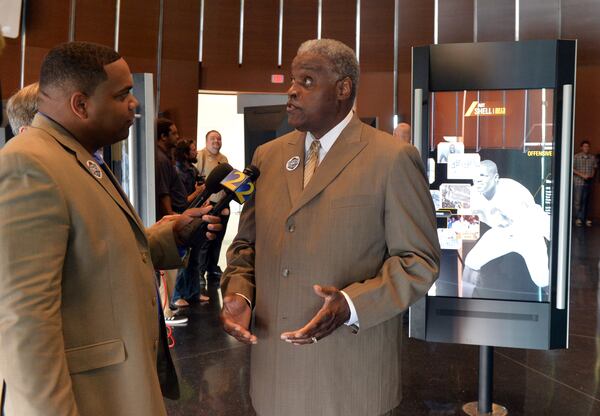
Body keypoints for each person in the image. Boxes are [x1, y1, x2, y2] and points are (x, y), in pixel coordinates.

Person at [0, 41, 224, 416]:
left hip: (118, 386)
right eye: (122, 95)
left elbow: (93, 251)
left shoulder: (78, 156)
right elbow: (24, 322)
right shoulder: (29, 167)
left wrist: (172, 235)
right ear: (80, 104)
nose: (134, 105)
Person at [220, 38, 440, 416]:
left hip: (349, 374)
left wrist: (352, 305)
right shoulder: (268, 157)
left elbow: (418, 261)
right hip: (274, 374)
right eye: (291, 80)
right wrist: (240, 294)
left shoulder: (392, 159)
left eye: (306, 81)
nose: (291, 91)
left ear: (343, 89)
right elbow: (245, 245)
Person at [463, 160, 550, 296]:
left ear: (495, 178)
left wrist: (551, 234)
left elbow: (537, 217)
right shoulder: (471, 194)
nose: (478, 180)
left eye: (483, 176)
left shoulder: (513, 190)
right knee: (472, 261)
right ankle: (464, 303)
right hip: (501, 234)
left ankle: (556, 301)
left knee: (541, 279)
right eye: (476, 176)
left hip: (528, 234)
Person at [171, 138, 210, 306]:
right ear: (185, 153)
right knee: (183, 258)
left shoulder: (192, 170)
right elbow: (182, 202)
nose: (196, 152)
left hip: (196, 219)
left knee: (194, 258)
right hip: (183, 220)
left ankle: (193, 293)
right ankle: (176, 295)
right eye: (193, 150)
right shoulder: (177, 173)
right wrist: (199, 193)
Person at [196, 129, 230, 283]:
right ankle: (199, 271)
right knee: (205, 239)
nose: (216, 141)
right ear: (206, 141)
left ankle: (212, 269)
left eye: (219, 138)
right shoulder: (200, 155)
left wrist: (227, 203)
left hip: (222, 203)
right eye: (213, 138)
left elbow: (229, 183)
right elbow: (197, 180)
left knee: (218, 239)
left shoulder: (224, 159)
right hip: (207, 204)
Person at [155, 117, 188, 219]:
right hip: (174, 214)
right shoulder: (161, 160)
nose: (177, 137)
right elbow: (163, 192)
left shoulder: (165, 157)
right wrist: (171, 218)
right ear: (163, 136)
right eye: (174, 134)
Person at [573, 140, 597, 227]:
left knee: (586, 201)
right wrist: (582, 175)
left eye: (587, 146)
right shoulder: (576, 157)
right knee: (578, 201)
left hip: (588, 182)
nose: (586, 148)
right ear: (581, 147)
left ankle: (585, 219)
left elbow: (595, 167)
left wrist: (592, 175)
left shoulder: (592, 157)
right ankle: (578, 219)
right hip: (578, 182)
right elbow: (572, 168)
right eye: (584, 146)